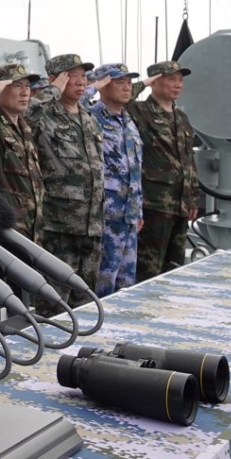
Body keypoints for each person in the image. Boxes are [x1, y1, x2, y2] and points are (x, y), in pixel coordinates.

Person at [27, 54, 105, 306]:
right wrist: (50, 92)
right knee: (54, 300)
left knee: (85, 297)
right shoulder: (43, 114)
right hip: (58, 224)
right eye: (73, 76)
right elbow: (22, 117)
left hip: (92, 223)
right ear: (55, 80)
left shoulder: (88, 117)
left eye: (84, 76)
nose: (81, 82)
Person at [127, 60, 199, 282]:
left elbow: (188, 160)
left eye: (180, 80)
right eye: (171, 79)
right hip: (154, 204)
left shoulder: (181, 117)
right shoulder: (140, 111)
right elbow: (120, 99)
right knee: (148, 270)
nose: (177, 85)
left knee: (175, 268)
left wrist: (193, 198)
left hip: (180, 204)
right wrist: (144, 83)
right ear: (155, 83)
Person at [87, 63, 144, 296]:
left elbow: (135, 169)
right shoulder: (92, 116)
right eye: (120, 82)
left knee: (126, 283)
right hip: (106, 214)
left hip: (129, 215)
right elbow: (66, 106)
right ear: (104, 86)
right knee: (103, 282)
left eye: (129, 83)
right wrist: (93, 87)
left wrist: (138, 210)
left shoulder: (128, 121)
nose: (127, 88)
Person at [0, 63, 44, 242]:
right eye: (16, 85)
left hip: (32, 231)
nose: (25, 92)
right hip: (4, 234)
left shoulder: (24, 129)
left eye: (27, 86)